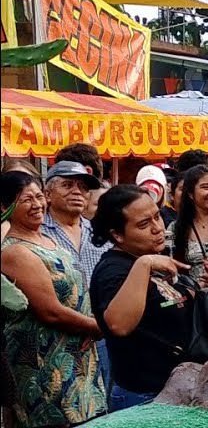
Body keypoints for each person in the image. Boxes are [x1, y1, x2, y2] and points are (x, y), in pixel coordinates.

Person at [89, 185, 208, 411]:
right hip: (145, 398)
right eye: (144, 224)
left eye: (157, 216)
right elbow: (118, 325)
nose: (157, 228)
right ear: (117, 235)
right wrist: (144, 264)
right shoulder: (113, 271)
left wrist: (206, 288)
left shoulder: (152, 257)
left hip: (180, 391)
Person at [1, 171, 106, 425]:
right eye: (26, 200)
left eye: (39, 197)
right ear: (5, 207)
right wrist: (98, 327)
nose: (37, 205)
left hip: (78, 354)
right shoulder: (16, 251)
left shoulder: (47, 239)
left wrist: (90, 326)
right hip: (47, 363)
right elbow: (51, 312)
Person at [42, 161, 114, 397]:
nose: (77, 192)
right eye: (67, 185)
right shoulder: (36, 233)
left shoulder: (100, 233)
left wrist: (99, 325)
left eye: (83, 187)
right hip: (56, 338)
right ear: (47, 194)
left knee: (102, 404)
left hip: (102, 335)